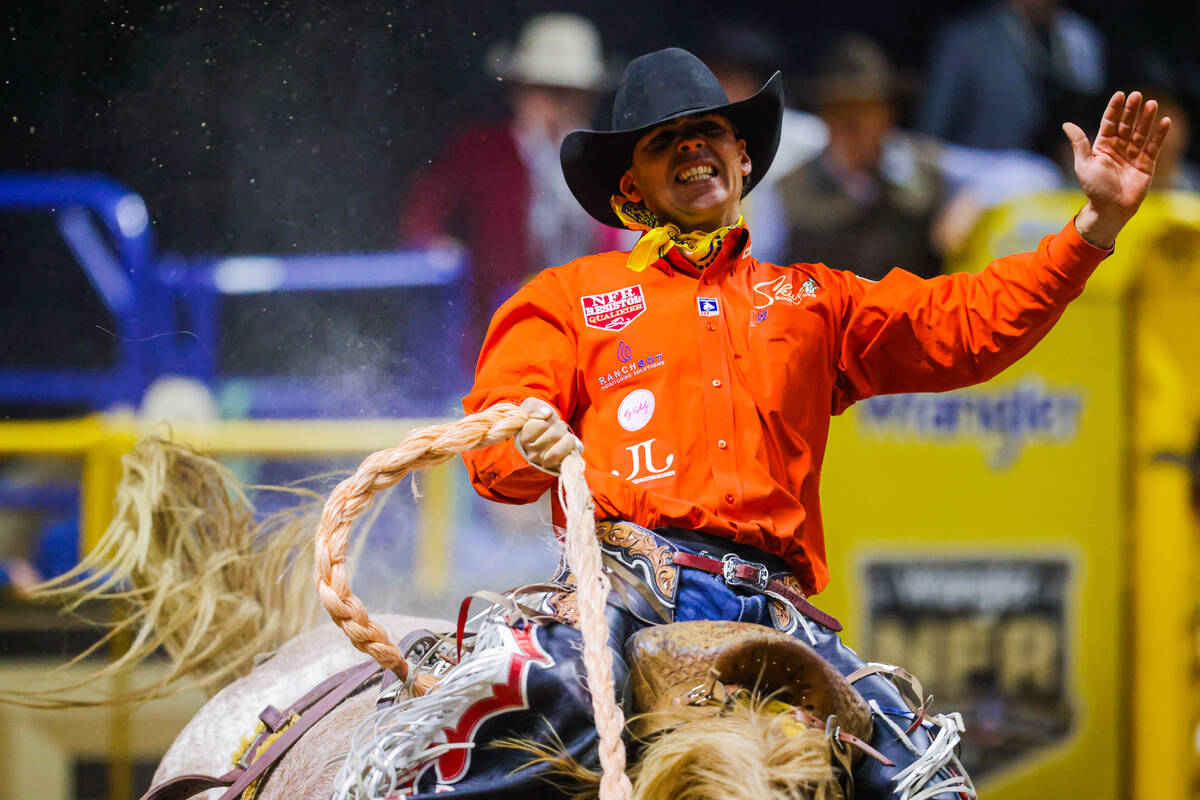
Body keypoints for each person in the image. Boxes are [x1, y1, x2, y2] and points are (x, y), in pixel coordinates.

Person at [461, 47, 1168, 798]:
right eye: (666, 141)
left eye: (708, 132)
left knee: (932, 786)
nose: (693, 148)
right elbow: (493, 453)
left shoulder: (813, 300)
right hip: (625, 590)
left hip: (776, 607)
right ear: (632, 185)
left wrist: (1095, 224)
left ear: (741, 157)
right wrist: (528, 439)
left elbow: (966, 325)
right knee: (512, 736)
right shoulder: (566, 297)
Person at [398, 13, 622, 355]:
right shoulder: (480, 150)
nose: (561, 105)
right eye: (547, 91)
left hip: (591, 329)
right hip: (501, 327)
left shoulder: (607, 159)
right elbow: (425, 210)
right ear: (520, 91)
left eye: (574, 93)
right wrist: (438, 250)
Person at [776, 34, 946, 280]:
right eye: (841, 110)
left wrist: (970, 200)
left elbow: (1009, 171)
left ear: (888, 115)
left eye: (864, 110)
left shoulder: (924, 168)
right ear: (825, 117)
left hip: (908, 314)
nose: (850, 124)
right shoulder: (787, 190)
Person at [916, 0, 1106, 156]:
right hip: (978, 170)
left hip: (1060, 174)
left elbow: (1089, 113)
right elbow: (931, 132)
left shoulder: (1081, 39)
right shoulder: (966, 40)